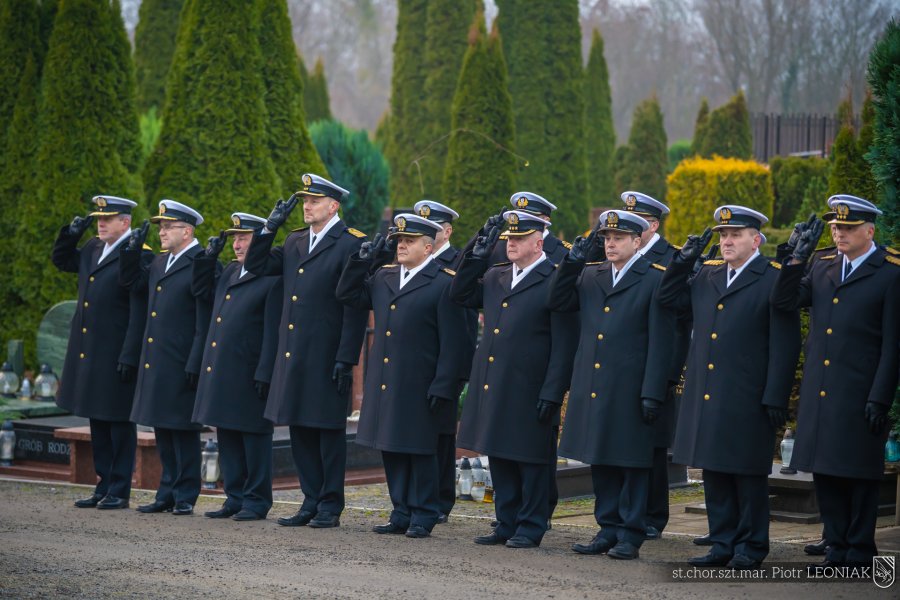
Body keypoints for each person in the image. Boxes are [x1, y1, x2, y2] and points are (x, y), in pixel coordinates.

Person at [658, 205, 800, 569]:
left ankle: (751, 547)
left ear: (756, 240)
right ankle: (722, 543)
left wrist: (775, 395)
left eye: (735, 234)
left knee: (747, 476)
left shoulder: (771, 277)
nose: (726, 241)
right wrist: (681, 264)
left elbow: (785, 342)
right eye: (723, 235)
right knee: (715, 473)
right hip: (708, 392)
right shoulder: (708, 276)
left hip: (748, 395)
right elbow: (669, 301)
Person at [771, 195, 899, 568]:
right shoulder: (823, 264)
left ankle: (859, 549)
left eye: (847, 227)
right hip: (821, 390)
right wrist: (795, 259)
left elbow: (893, 344)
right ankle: (837, 545)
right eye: (835, 228)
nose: (839, 233)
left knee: (859, 475)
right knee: (825, 472)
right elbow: (784, 302)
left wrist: (880, 397)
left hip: (860, 392)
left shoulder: (890, 271)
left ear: (869, 230)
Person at [548, 210, 675, 560]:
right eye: (606, 238)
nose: (610, 244)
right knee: (601, 460)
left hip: (631, 387)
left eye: (618, 238)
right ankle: (607, 528)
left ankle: (631, 533)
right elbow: (558, 302)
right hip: (595, 383)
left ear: (637, 242)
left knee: (632, 463)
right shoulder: (591, 275)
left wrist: (652, 391)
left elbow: (661, 341)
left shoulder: (654, 278)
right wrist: (572, 264)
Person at [244, 174, 368, 529]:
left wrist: (347, 357)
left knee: (327, 433)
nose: (306, 207)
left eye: (314, 201)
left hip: (327, 355)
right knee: (299, 431)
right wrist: (268, 228)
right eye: (304, 202)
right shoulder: (295, 241)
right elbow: (257, 266)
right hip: (294, 354)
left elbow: (354, 308)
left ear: (334, 206)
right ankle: (310, 500)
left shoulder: (349, 243)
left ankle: (330, 504)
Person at [450, 210, 577, 549]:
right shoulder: (496, 276)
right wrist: (476, 255)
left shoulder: (554, 277)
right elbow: (460, 294)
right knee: (500, 454)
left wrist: (553, 391)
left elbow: (564, 343)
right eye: (509, 238)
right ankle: (506, 521)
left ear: (539, 243)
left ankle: (532, 523)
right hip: (496, 380)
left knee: (531, 458)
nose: (511, 243)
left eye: (519, 239)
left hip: (531, 384)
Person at [336, 214, 468, 538]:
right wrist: (362, 261)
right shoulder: (384, 277)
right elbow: (348, 295)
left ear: (427, 246)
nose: (402, 246)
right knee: (391, 447)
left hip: (420, 382)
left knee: (420, 450)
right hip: (387, 379)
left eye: (409, 241)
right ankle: (400, 511)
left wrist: (445, 383)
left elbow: (455, 342)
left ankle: (424, 513)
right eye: (399, 241)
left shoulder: (443, 282)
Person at [51, 196, 149, 510]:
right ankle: (103, 484)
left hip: (115, 352)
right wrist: (70, 234)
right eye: (98, 219)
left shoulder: (136, 254)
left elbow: (138, 311)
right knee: (98, 421)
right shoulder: (93, 248)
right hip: (89, 351)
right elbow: (63, 261)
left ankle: (120, 489)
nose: (101, 224)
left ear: (126, 222)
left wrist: (129, 354)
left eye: (108, 219)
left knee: (118, 422)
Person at [120, 200, 213, 516]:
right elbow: (133, 286)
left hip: (182, 360)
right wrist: (131, 252)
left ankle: (186, 493)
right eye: (160, 226)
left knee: (183, 431)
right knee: (163, 428)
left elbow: (204, 318)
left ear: (187, 231)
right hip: (158, 360)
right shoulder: (161, 263)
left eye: (167, 226)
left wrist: (196, 361)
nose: (161, 232)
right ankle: (167, 491)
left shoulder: (202, 260)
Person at [191, 213, 282, 521]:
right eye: (235, 238)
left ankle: (256, 499)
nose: (238, 243)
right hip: (224, 367)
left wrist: (265, 371)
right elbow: (202, 294)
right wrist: (207, 259)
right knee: (227, 432)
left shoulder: (270, 277)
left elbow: (273, 330)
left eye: (244, 238)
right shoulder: (230, 270)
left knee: (254, 436)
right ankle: (235, 495)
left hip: (250, 369)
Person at [619, 191, 688, 541]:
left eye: (639, 220)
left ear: (653, 224)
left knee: (655, 446)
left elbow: (680, 322)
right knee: (626, 443)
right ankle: (626, 512)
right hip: (627, 367)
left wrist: (670, 373)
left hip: (660, 368)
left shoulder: (672, 258)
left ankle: (654, 515)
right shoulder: (621, 258)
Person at [413, 200, 478, 523]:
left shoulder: (457, 263)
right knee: (421, 435)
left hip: (445, 366)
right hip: (420, 366)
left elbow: (464, 328)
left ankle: (440, 500)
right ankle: (422, 498)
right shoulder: (412, 263)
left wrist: (457, 374)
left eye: (434, 227)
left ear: (447, 231)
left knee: (441, 435)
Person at [461, 192, 572, 266]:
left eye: (530, 218)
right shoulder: (500, 244)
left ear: (546, 221)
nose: (522, 220)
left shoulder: (563, 252)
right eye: (519, 215)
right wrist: (481, 236)